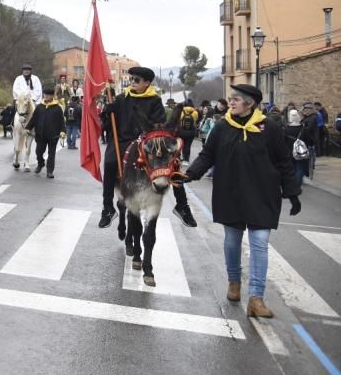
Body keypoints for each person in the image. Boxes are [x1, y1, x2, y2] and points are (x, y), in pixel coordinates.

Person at [182, 84, 301, 318]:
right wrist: (190, 174)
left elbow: (284, 161)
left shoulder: (271, 128)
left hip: (263, 194)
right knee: (232, 240)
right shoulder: (222, 126)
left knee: (260, 242)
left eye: (236, 99)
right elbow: (207, 154)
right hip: (231, 192)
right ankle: (234, 283)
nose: (231, 102)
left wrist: (293, 193)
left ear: (250, 103)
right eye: (231, 99)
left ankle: (256, 298)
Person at [98, 66, 198, 229]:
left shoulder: (155, 100)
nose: (133, 82)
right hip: (123, 141)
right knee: (109, 164)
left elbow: (158, 124)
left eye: (136, 80)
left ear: (147, 83)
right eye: (131, 79)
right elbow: (109, 124)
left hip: (147, 141)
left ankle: (182, 206)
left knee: (173, 164)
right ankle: (107, 208)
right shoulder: (122, 98)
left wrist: (147, 136)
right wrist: (107, 113)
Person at [27, 88, 65, 178]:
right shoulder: (39, 107)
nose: (46, 96)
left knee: (51, 154)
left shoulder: (58, 108)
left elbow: (61, 121)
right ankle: (40, 164)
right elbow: (34, 119)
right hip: (40, 135)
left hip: (53, 135)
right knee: (38, 152)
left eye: (48, 95)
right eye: (45, 95)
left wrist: (63, 131)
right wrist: (28, 127)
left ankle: (50, 171)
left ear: (52, 96)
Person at [283, 109, 312, 185]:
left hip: (289, 151)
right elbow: (309, 140)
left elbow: (283, 141)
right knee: (299, 167)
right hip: (300, 151)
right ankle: (297, 184)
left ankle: (293, 183)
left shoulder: (286, 129)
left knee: (292, 168)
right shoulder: (303, 129)